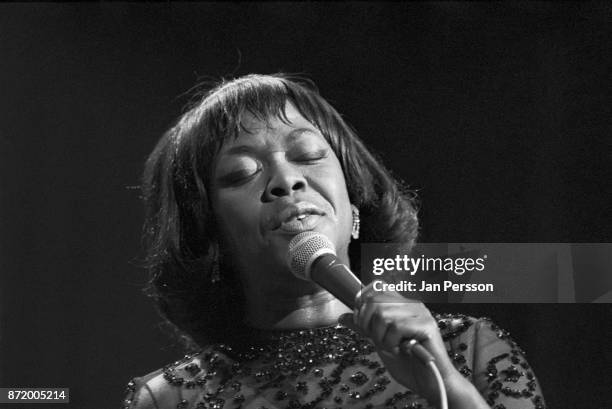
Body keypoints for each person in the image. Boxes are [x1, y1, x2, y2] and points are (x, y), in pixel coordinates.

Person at [122, 74, 545, 409]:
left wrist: (447, 388)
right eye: (241, 174)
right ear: (210, 237)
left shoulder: (467, 351)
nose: (287, 180)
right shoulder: (171, 399)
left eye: (307, 155)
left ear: (355, 204)